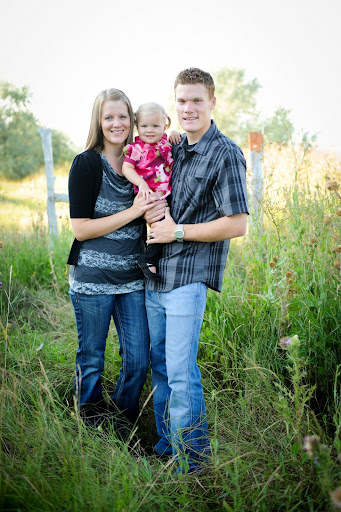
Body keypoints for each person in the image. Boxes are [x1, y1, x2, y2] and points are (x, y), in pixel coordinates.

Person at [144, 68, 249, 473]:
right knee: (161, 366)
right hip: (155, 277)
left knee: (181, 371)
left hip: (187, 278)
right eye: (182, 101)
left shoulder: (225, 152)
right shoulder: (176, 148)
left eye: (196, 100)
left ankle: (195, 464)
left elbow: (237, 223)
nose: (188, 108)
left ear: (212, 102)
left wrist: (178, 232)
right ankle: (168, 448)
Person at [67, 88, 155, 431]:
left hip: (132, 281)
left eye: (122, 117)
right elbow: (81, 230)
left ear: (131, 121)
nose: (116, 123)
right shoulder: (87, 163)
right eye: (108, 117)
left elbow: (168, 141)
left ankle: (119, 424)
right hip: (92, 281)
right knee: (91, 360)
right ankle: (88, 425)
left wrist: (172, 134)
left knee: (138, 360)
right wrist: (133, 211)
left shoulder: (143, 161)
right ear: (99, 122)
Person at [122, 102, 174, 282]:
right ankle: (149, 260)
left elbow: (177, 138)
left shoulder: (165, 142)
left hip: (165, 192)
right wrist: (141, 183)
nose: (149, 130)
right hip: (148, 195)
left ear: (165, 125)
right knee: (159, 222)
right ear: (137, 127)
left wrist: (175, 134)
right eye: (144, 126)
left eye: (155, 125)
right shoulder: (136, 149)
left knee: (168, 220)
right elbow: (127, 168)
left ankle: (157, 258)